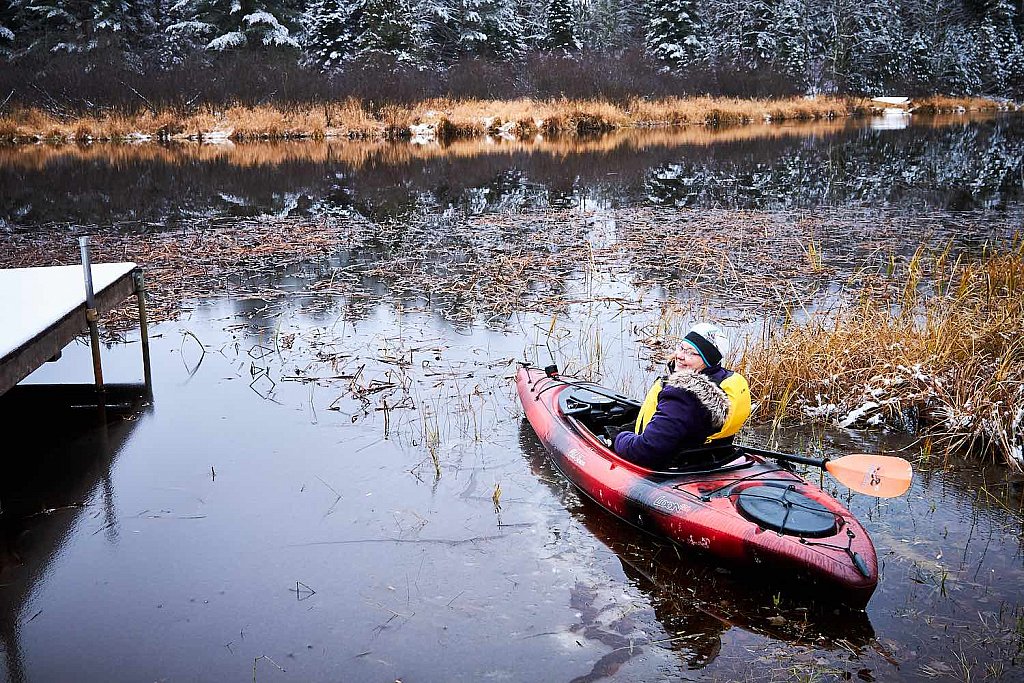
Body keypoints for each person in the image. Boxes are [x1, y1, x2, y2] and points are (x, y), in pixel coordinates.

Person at [612, 323, 751, 470]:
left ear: (708, 360)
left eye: (691, 353)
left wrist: (617, 438)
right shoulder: (728, 382)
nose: (680, 355)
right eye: (681, 347)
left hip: (674, 465)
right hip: (711, 456)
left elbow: (646, 451)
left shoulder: (682, 396)